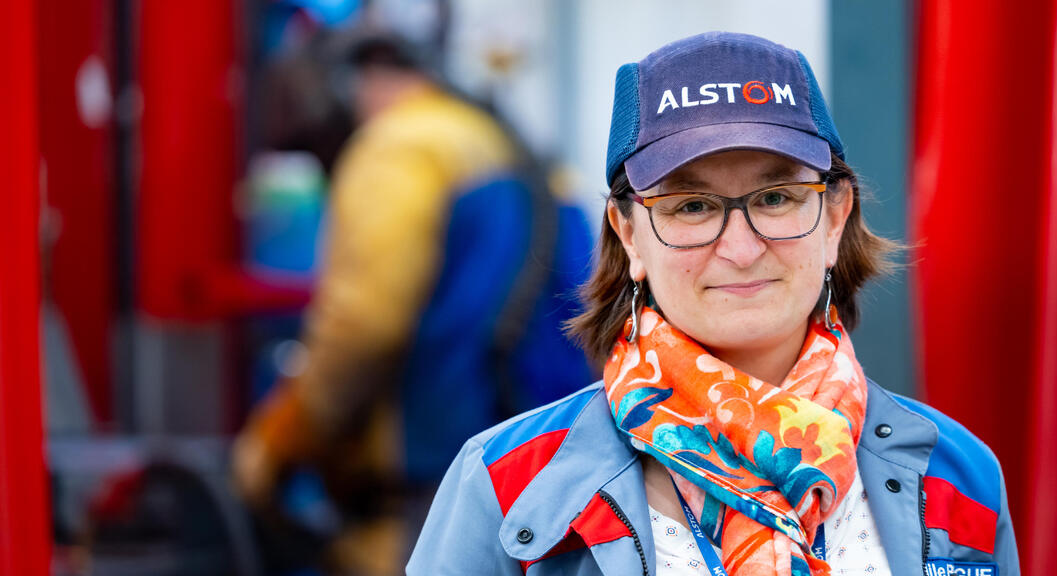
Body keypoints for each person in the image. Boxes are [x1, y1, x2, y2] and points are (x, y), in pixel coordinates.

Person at [406, 32, 1019, 576]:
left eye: (776, 198)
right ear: (628, 235)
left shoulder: (958, 474)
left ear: (834, 218)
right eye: (692, 207)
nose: (741, 249)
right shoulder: (506, 481)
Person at [233, 21, 593, 576]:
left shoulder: (398, 145)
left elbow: (363, 325)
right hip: (528, 470)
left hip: (427, 489)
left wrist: (277, 444)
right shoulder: (490, 140)